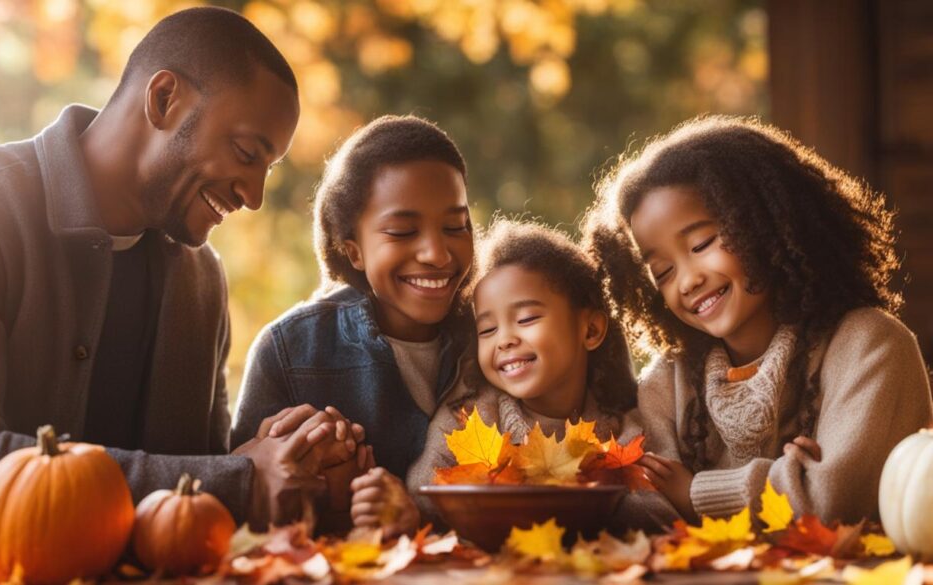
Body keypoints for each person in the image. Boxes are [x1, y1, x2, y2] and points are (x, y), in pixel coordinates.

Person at [0, 7, 349, 561]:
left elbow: (198, 497)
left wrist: (291, 461)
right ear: (164, 99)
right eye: (245, 153)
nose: (254, 196)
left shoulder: (202, 281)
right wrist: (238, 480)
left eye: (269, 168)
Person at [583, 116, 933, 523]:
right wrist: (786, 479)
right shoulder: (670, 380)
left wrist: (696, 494)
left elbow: (831, 502)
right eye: (662, 272)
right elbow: (641, 501)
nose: (688, 281)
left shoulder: (872, 345)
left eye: (702, 244)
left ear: (763, 222)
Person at [350, 219, 646, 537]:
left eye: (526, 318)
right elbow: (425, 498)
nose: (504, 340)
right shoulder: (469, 419)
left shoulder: (623, 434)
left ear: (590, 330)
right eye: (488, 329)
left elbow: (654, 513)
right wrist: (401, 511)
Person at [231, 115, 475, 484]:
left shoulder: (494, 334)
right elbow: (244, 488)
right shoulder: (290, 351)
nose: (437, 254)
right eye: (403, 231)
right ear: (354, 251)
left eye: (455, 227)